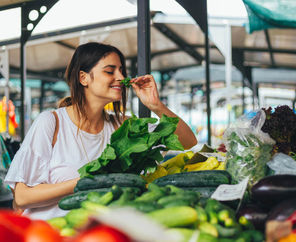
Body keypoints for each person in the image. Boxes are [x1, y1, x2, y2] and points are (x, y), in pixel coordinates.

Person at [4, 42, 197, 220]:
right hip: (47, 233)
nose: (121, 78)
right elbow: (21, 197)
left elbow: (188, 141)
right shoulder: (52, 122)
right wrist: (86, 181)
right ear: (83, 78)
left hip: (98, 234)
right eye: (109, 71)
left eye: (121, 70)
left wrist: (155, 105)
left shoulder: (122, 127)